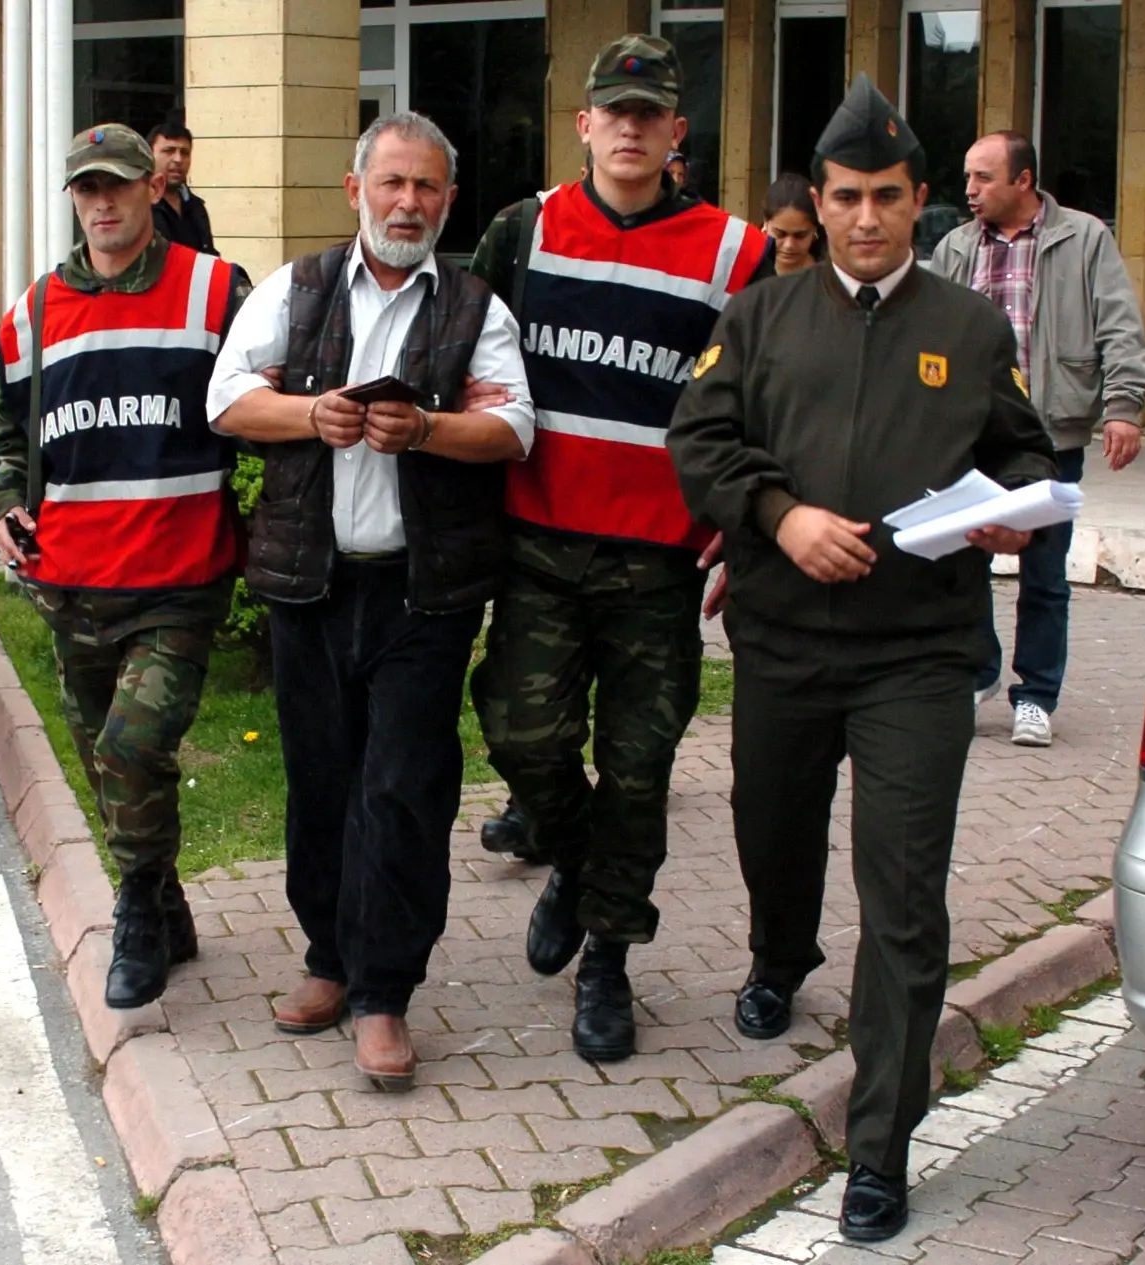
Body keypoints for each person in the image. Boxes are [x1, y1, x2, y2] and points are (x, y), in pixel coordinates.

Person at [667, 76, 1056, 1242]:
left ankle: (880, 1145)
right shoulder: (760, 318)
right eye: (846, 197)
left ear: (921, 199)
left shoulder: (970, 329)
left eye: (888, 195)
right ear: (820, 202)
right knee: (772, 829)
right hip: (783, 641)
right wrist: (780, 515)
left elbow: (1027, 458)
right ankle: (779, 953)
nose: (867, 217)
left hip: (918, 654)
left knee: (904, 895)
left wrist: (1014, 516)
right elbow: (700, 441)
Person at [206, 112, 534, 1092]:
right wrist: (310, 413)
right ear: (355, 190)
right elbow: (225, 399)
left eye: (426, 186)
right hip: (309, 583)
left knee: (402, 786)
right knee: (320, 779)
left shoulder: (476, 306)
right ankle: (328, 958)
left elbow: (515, 427)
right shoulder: (296, 288)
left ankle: (384, 990)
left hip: (423, 592)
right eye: (392, 182)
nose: (407, 203)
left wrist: (428, 428)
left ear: (449, 200)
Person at [469, 35, 773, 1065]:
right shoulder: (523, 231)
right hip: (540, 549)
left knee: (639, 771)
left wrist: (746, 515)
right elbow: (459, 356)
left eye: (650, 115)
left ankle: (608, 956)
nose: (631, 129)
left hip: (658, 564)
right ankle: (572, 852)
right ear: (585, 124)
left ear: (676, 130)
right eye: (615, 112)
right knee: (523, 737)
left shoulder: (737, 253)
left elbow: (766, 401)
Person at [0, 124, 250, 1011]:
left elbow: (264, 408)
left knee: (131, 748)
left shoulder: (215, 290)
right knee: (105, 765)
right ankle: (167, 902)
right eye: (88, 188)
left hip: (179, 580)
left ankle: (135, 910)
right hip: (73, 586)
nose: (104, 203)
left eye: (120, 185)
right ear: (74, 198)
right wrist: (2, 504)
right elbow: (10, 440)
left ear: (152, 190)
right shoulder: (31, 314)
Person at [931, 132, 1145, 747]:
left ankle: (1036, 696)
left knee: (1045, 574)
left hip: (1051, 434)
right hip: (970, 435)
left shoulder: (1085, 238)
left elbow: (1120, 325)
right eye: (967, 177)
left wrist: (1123, 407)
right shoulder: (955, 248)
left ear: (1023, 180)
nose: (969, 191)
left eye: (983, 178)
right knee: (962, 565)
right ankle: (978, 674)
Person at [148, 119, 218, 255]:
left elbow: (208, 256)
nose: (178, 159)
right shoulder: (139, 207)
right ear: (150, 155)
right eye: (169, 151)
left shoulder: (196, 206)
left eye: (185, 153)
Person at [763, 172, 823, 275]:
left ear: (814, 229)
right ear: (766, 223)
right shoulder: (745, 271)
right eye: (780, 234)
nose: (789, 245)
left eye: (800, 236)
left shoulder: (830, 278)